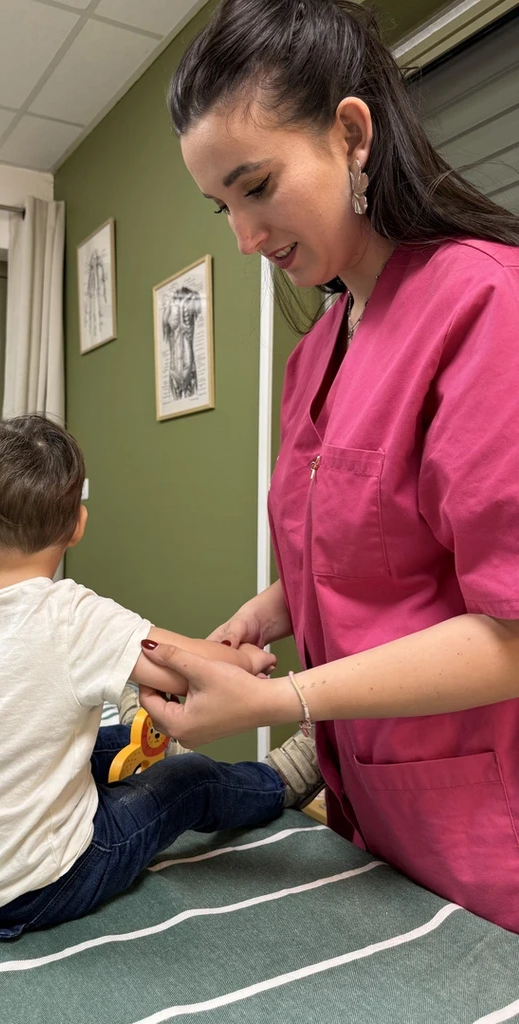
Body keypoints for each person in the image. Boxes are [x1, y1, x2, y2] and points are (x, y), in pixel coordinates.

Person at [139, 0, 519, 933]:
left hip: (485, 832)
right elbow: (382, 541)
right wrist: (269, 611)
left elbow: (512, 628)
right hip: (370, 821)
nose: (244, 237)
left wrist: (281, 698)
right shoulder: (318, 351)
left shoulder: (486, 305)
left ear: (352, 135)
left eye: (257, 187)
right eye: (223, 207)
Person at [0, 416, 286, 938]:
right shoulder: (72, 615)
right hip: (43, 886)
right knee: (189, 779)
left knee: (102, 742)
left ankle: (144, 740)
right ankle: (279, 782)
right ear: (77, 525)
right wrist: (246, 661)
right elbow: (184, 668)